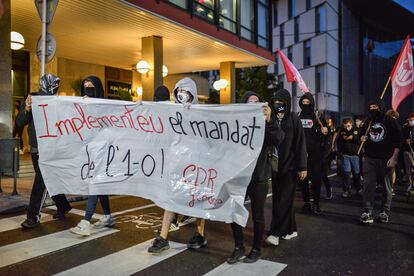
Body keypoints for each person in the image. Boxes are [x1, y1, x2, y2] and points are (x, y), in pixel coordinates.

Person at [148, 78, 207, 253]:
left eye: (185, 90)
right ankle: (163, 237)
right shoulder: (172, 112)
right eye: (178, 90)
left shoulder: (202, 113)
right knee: (170, 199)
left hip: (195, 164)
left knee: (196, 201)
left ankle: (200, 234)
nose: (181, 93)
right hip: (177, 164)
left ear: (192, 93)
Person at [227, 91, 285, 264]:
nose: (254, 104)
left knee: (258, 214)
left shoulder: (267, 122)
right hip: (239, 175)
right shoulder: (236, 122)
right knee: (234, 211)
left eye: (257, 102)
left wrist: (269, 120)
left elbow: (278, 139)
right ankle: (238, 247)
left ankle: (256, 248)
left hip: (259, 175)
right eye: (250, 102)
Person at [17, 74, 72, 229]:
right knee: (49, 180)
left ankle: (33, 216)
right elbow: (20, 122)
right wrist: (27, 107)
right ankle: (63, 205)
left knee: (40, 184)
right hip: (36, 149)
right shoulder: (32, 99)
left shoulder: (57, 102)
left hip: (50, 149)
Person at [70, 76, 115, 236]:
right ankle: (108, 216)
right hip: (92, 149)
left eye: (91, 86)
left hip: (104, 150)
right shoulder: (85, 103)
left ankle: (86, 221)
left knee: (94, 182)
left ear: (97, 88)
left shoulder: (105, 104)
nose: (88, 89)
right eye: (85, 86)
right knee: (99, 183)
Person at [265, 88, 307, 246]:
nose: (279, 104)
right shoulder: (271, 118)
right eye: (276, 102)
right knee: (280, 199)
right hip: (275, 166)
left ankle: (275, 233)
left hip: (290, 166)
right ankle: (291, 229)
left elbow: (300, 143)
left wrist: (303, 166)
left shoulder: (294, 119)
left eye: (282, 102)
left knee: (284, 199)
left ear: (288, 103)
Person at [359, 100, 402, 224]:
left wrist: (394, 158)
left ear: (381, 107)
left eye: (375, 106)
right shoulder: (368, 120)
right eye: (370, 106)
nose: (372, 109)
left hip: (386, 159)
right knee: (368, 185)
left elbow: (398, 141)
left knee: (387, 187)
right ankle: (367, 211)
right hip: (369, 158)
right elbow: (361, 134)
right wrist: (362, 137)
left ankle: (384, 211)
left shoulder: (390, 121)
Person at [298, 93, 329, 215]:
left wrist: (325, 132)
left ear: (312, 103)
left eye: (308, 103)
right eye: (303, 103)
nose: (306, 105)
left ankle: (316, 203)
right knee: (302, 180)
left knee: (316, 179)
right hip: (301, 154)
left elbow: (327, 135)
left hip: (315, 154)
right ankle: (306, 203)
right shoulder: (297, 116)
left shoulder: (318, 117)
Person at [336, 118, 362, 198]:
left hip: (355, 155)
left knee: (356, 173)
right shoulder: (341, 131)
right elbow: (339, 141)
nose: (347, 128)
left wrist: (353, 138)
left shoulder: (357, 130)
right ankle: (346, 190)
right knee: (346, 173)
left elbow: (361, 141)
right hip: (345, 155)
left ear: (351, 124)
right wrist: (339, 152)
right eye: (345, 126)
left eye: (348, 126)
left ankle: (358, 189)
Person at [402, 113, 414, 194]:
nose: (410, 122)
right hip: (407, 151)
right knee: (409, 170)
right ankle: (409, 186)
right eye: (409, 120)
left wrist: (412, 140)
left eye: (412, 120)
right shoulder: (405, 128)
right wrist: (405, 141)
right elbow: (402, 138)